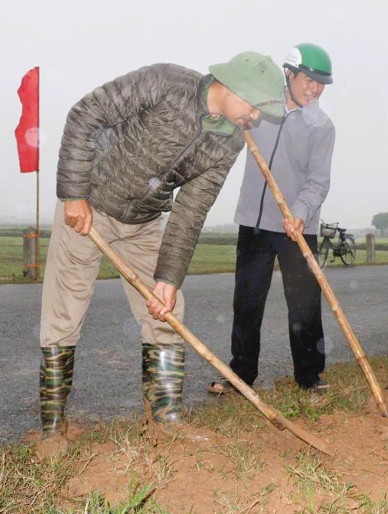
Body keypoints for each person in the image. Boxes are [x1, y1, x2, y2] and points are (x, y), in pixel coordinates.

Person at [38, 52, 284, 455]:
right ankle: (51, 427)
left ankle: (166, 419)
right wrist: (74, 192)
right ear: (233, 88)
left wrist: (169, 278)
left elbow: (191, 208)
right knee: (63, 315)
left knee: (168, 313)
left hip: (145, 224)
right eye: (255, 106)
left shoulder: (231, 139)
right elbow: (85, 114)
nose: (256, 117)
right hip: (89, 208)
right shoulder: (166, 83)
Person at [210, 43, 336, 396]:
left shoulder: (322, 127)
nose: (313, 88)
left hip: (298, 226)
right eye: (307, 79)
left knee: (305, 305)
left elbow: (318, 180)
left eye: (320, 83)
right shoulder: (258, 108)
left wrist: (299, 213)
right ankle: (241, 375)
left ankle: (310, 376)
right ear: (290, 74)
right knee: (247, 302)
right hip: (253, 221)